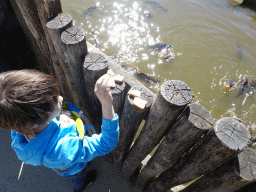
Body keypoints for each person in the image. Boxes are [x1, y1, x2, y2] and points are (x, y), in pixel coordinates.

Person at [0, 69, 119, 192]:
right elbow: (106, 144)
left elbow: (62, 109)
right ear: (35, 123)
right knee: (78, 175)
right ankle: (79, 188)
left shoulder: (18, 123)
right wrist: (107, 104)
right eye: (56, 101)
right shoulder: (63, 148)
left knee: (73, 164)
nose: (61, 98)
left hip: (62, 163)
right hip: (73, 167)